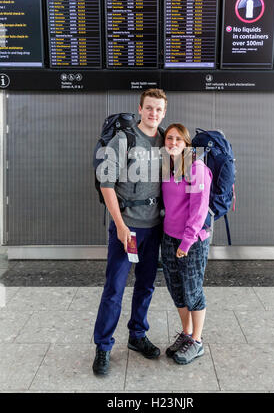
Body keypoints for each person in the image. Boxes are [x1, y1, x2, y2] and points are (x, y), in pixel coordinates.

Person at [92, 88, 167, 375]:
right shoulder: (123, 140)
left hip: (154, 228)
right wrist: (121, 227)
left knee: (146, 285)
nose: (153, 114)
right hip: (128, 229)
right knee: (114, 288)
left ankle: (137, 335)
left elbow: (181, 181)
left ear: (164, 112)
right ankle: (103, 346)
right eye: (149, 108)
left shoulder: (167, 140)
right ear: (140, 109)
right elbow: (106, 185)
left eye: (158, 109)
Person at [161, 123, 212, 365]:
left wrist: (187, 241)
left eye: (178, 139)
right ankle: (187, 334)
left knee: (192, 290)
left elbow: (199, 210)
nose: (172, 143)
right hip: (169, 237)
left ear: (187, 144)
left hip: (191, 241)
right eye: (169, 138)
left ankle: (198, 341)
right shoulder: (167, 166)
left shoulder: (196, 168)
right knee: (177, 290)